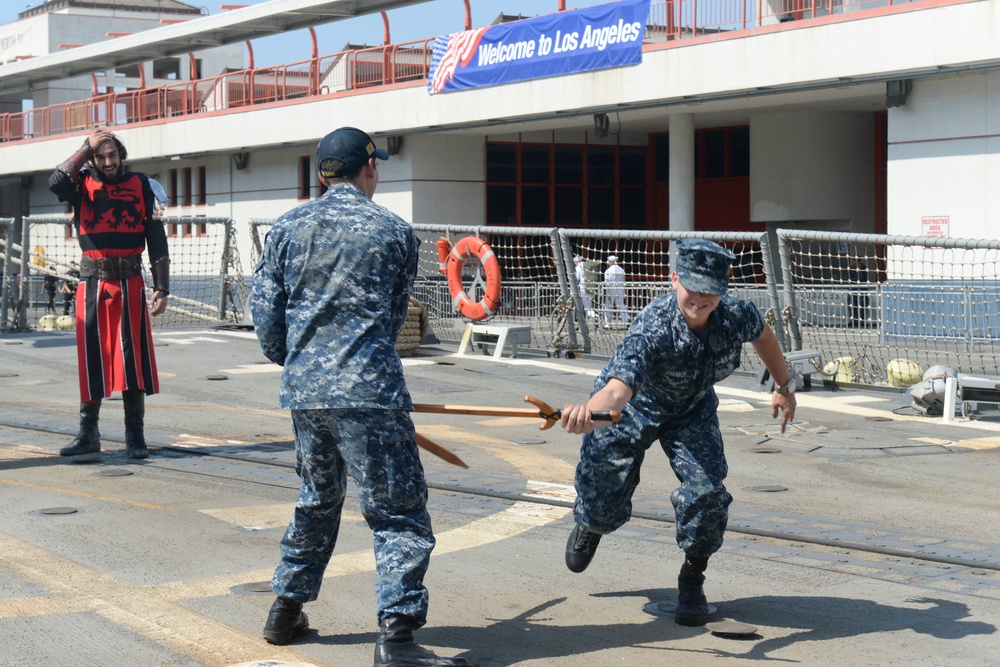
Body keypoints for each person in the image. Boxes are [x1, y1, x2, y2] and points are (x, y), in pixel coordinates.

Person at [251, 127, 470, 667]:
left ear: (322, 172)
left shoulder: (286, 227)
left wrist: (300, 362)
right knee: (397, 513)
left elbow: (265, 319)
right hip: (371, 390)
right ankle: (396, 638)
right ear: (369, 168)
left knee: (318, 498)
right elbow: (396, 319)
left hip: (306, 393)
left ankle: (286, 608)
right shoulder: (394, 233)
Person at [559, 239, 797, 628]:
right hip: (634, 407)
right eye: (692, 286)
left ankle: (692, 579)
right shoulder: (653, 326)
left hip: (692, 409)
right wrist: (591, 415)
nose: (699, 298)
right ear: (674, 280)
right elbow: (618, 390)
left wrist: (784, 387)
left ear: (722, 290)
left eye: (710, 290)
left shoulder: (735, 314)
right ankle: (592, 524)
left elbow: (765, 336)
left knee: (708, 493)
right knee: (602, 499)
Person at [48, 129, 170, 460]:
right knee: (93, 360)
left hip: (129, 283)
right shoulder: (80, 184)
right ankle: (88, 434)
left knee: (132, 362)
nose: (107, 161)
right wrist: (85, 148)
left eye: (111, 155)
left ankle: (135, 437)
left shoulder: (142, 185)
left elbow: (156, 237)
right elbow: (55, 180)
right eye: (100, 156)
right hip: (91, 283)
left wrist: (163, 286)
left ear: (121, 155)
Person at [602, 254, 628, 327]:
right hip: (620, 289)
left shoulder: (608, 271)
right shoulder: (621, 270)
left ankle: (608, 323)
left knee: (608, 306)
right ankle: (625, 321)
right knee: (620, 304)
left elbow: (607, 282)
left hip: (611, 290)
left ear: (610, 262)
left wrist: (607, 293)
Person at [848, 257, 871, 328]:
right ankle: (854, 320)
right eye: (854, 261)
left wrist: (860, 271)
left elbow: (863, 278)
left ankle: (862, 320)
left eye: (857, 261)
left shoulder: (864, 268)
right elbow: (852, 278)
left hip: (863, 289)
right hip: (854, 288)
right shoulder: (851, 268)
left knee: (863, 304)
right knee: (852, 304)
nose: (856, 262)